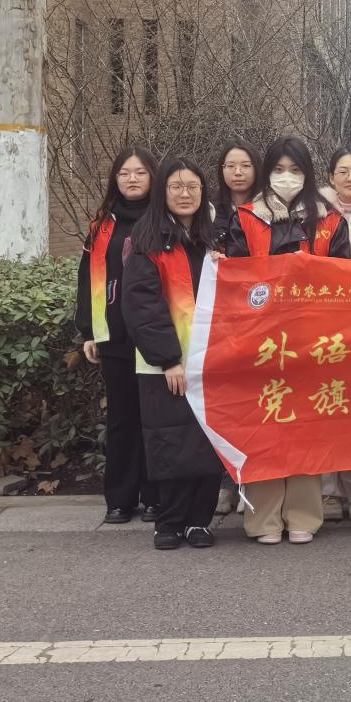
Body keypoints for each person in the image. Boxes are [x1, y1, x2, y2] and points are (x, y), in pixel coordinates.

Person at [226, 137, 350, 544]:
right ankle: (263, 519)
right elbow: (235, 280)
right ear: (267, 174)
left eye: (295, 170)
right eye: (279, 170)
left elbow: (343, 280)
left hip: (313, 340)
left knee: (305, 428)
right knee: (263, 425)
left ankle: (303, 516)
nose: (287, 177)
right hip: (260, 340)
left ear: (308, 175)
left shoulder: (329, 221)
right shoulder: (246, 217)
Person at [122, 156, 223, 550]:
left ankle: (199, 521)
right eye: (176, 187)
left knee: (206, 442)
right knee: (170, 442)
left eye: (192, 187)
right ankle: (169, 521)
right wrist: (168, 359)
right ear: (162, 192)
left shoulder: (213, 238)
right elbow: (141, 305)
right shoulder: (148, 241)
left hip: (210, 362)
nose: (185, 194)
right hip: (164, 365)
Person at [76, 147, 160, 526]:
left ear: (152, 177)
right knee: (122, 419)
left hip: (157, 333)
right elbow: (88, 277)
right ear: (115, 179)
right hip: (114, 333)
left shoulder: (165, 220)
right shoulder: (102, 224)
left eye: (140, 172)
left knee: (155, 417)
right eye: (124, 173)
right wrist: (90, 330)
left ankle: (156, 496)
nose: (132, 179)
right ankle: (121, 498)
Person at [318, 148, 351, 522]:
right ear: (331, 178)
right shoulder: (315, 214)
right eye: (342, 171)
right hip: (324, 326)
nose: (350, 178)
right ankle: (327, 490)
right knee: (326, 405)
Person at [210, 139, 262, 516]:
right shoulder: (209, 211)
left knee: (254, 405)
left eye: (245, 165)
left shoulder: (268, 210)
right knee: (225, 406)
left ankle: (252, 483)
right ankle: (225, 484)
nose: (238, 173)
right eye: (230, 166)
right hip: (219, 322)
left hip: (258, 321)